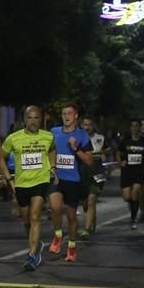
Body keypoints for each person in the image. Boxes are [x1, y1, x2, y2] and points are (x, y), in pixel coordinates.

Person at [1, 106, 57, 271]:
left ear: (41, 119)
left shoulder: (48, 137)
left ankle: (32, 255)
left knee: (35, 216)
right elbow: (0, 156)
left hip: (40, 181)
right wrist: (7, 177)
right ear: (25, 119)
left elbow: (52, 149)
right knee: (26, 220)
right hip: (21, 184)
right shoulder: (13, 138)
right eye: (30, 118)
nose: (33, 121)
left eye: (36, 118)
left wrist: (52, 166)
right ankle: (36, 244)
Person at [47, 103, 92, 262]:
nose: (66, 116)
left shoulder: (82, 135)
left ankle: (72, 246)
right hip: (57, 178)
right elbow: (46, 150)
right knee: (55, 207)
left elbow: (89, 161)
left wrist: (76, 149)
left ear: (76, 116)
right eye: (64, 113)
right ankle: (58, 235)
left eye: (69, 113)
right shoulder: (53, 132)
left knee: (71, 216)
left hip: (73, 180)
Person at [79, 115, 108, 240]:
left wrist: (103, 155)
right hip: (82, 174)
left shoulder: (100, 138)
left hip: (97, 173)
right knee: (85, 204)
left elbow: (107, 151)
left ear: (93, 126)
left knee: (91, 200)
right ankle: (92, 217)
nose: (87, 127)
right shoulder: (77, 138)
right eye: (85, 124)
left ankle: (86, 230)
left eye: (89, 124)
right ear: (81, 126)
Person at [116, 118, 144, 229]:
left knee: (135, 194)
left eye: (136, 126)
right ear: (130, 128)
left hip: (139, 172)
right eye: (132, 126)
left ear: (139, 128)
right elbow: (118, 153)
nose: (134, 128)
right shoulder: (125, 141)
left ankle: (133, 219)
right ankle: (133, 205)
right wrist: (121, 162)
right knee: (126, 197)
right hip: (126, 172)